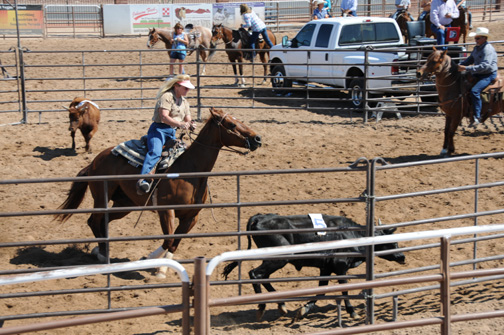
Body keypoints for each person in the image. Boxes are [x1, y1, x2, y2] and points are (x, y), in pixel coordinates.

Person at [137, 74, 195, 194]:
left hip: (171, 132)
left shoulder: (184, 102)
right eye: (185, 88)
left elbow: (188, 118)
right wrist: (181, 124)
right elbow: (164, 117)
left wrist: (191, 124)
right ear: (176, 86)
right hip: (158, 130)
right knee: (155, 152)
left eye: (188, 88)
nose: (187, 90)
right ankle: (143, 180)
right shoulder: (167, 97)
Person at [458, 27, 498, 127]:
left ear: (484, 38)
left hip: (488, 74)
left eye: (478, 38)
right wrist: (459, 65)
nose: (475, 40)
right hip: (479, 73)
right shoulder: (477, 48)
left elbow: (486, 66)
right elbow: (470, 59)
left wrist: (466, 68)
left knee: (475, 91)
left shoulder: (487, 49)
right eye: (475, 38)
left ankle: (477, 116)